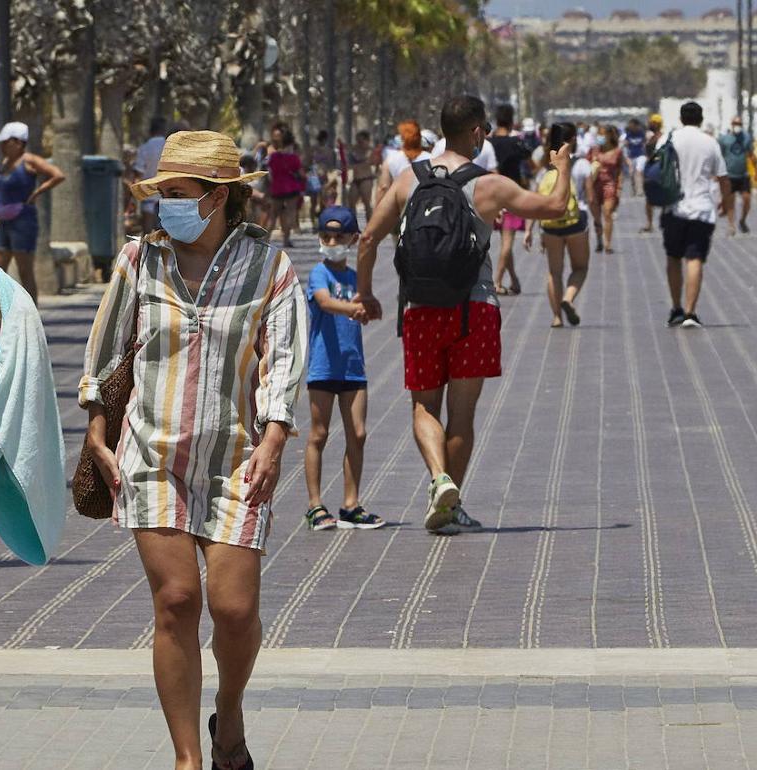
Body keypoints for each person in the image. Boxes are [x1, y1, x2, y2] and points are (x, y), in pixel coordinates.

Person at [80, 130, 307, 770]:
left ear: (220, 198)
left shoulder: (270, 265)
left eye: (180, 195)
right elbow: (105, 349)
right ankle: (186, 757)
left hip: (238, 458)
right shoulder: (138, 260)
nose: (166, 207)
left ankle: (228, 712)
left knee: (234, 610)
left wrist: (276, 437)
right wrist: (97, 426)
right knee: (176, 600)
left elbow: (283, 357)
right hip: (152, 453)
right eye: (162, 195)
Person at [354, 95, 571, 535]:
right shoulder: (489, 184)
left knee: (423, 406)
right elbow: (552, 208)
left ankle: (438, 480)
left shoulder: (407, 180)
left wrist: (365, 294)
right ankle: (451, 504)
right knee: (463, 415)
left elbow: (367, 240)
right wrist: (561, 167)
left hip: (420, 308)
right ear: (476, 132)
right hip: (474, 308)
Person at [303, 206, 384, 532]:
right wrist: (357, 308)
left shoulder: (355, 279)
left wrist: (371, 308)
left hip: (353, 367)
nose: (331, 241)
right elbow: (324, 302)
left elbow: (369, 306)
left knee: (358, 434)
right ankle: (314, 504)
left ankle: (351, 503)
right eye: (326, 235)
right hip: (323, 367)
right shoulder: (319, 273)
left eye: (338, 236)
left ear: (351, 239)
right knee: (319, 434)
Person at [658, 102, 731, 328]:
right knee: (695, 258)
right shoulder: (710, 142)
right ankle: (690, 312)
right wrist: (725, 203)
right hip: (701, 208)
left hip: (673, 208)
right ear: (700, 119)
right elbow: (723, 177)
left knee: (673, 257)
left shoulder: (668, 140)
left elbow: (654, 170)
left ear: (681, 118)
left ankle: (676, 308)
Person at [0, 121, 66, 304]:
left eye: (5, 142)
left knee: (25, 271)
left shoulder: (29, 160)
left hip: (23, 220)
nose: (1, 146)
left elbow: (58, 175)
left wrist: (38, 192)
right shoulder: (3, 162)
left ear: (17, 142)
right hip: (3, 222)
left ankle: (32, 317)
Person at [525, 123, 592, 328]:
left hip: (549, 226)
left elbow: (535, 200)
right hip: (575, 224)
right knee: (580, 268)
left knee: (554, 271)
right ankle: (568, 298)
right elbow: (590, 196)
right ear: (573, 140)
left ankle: (556, 318)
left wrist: (528, 229)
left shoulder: (545, 167)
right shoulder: (580, 164)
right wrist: (598, 221)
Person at [489, 104, 532, 295]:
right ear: (512, 120)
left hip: (490, 195)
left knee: (505, 239)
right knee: (507, 241)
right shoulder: (516, 142)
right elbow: (532, 160)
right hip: (511, 195)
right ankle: (497, 281)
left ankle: (514, 280)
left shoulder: (487, 143)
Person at [264, 122, 306, 247]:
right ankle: (286, 240)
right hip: (292, 187)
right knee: (290, 213)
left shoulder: (274, 157)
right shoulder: (294, 158)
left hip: (277, 188)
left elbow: (270, 173)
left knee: (273, 215)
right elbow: (301, 174)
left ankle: (265, 240)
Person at [374, 121, 428, 209]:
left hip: (399, 208)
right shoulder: (431, 158)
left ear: (402, 138)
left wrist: (377, 211)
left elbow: (383, 188)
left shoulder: (391, 159)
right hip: (423, 208)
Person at [588, 124, 623, 254]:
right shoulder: (593, 150)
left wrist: (619, 187)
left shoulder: (617, 151)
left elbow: (620, 171)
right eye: (599, 134)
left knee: (607, 214)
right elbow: (586, 167)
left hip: (610, 185)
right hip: (594, 185)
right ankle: (599, 240)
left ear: (609, 135)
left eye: (603, 134)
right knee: (597, 217)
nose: (600, 137)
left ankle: (608, 243)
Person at [719, 116, 754, 235]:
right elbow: (720, 157)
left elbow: (751, 155)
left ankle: (742, 220)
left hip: (743, 174)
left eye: (739, 123)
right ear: (731, 124)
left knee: (747, 199)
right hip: (729, 174)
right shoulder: (725, 139)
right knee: (730, 201)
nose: (737, 125)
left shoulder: (746, 138)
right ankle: (731, 225)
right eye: (735, 123)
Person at [135, 117, 170, 235]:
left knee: (147, 234)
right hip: (167, 196)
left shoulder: (144, 148)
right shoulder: (169, 147)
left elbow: (138, 172)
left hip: (148, 197)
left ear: (150, 131)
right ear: (164, 130)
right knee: (166, 234)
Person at [345, 130, 378, 222]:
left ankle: (370, 225)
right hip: (355, 179)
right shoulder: (354, 150)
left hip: (366, 179)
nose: (359, 143)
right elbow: (348, 164)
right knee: (351, 203)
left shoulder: (370, 151)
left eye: (361, 140)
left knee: (366, 203)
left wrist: (356, 165)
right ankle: (353, 225)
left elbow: (370, 162)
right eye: (358, 140)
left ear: (366, 140)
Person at [641, 114, 664, 233]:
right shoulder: (650, 137)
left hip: (659, 170)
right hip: (650, 169)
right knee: (649, 199)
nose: (650, 124)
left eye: (652, 122)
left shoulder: (662, 138)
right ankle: (649, 223)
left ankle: (664, 221)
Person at [306, 129, 334, 221]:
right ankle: (315, 221)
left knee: (320, 201)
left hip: (320, 177)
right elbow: (307, 162)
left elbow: (330, 165)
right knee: (316, 201)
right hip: (315, 177)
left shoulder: (327, 150)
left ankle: (318, 221)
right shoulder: (314, 150)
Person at [623, 118, 647, 197]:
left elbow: (644, 144)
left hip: (640, 155)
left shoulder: (641, 133)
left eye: (632, 126)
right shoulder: (629, 134)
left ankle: (640, 190)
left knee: (638, 171)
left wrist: (646, 155)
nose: (631, 127)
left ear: (636, 126)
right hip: (631, 156)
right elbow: (625, 144)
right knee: (632, 174)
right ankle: (634, 189)